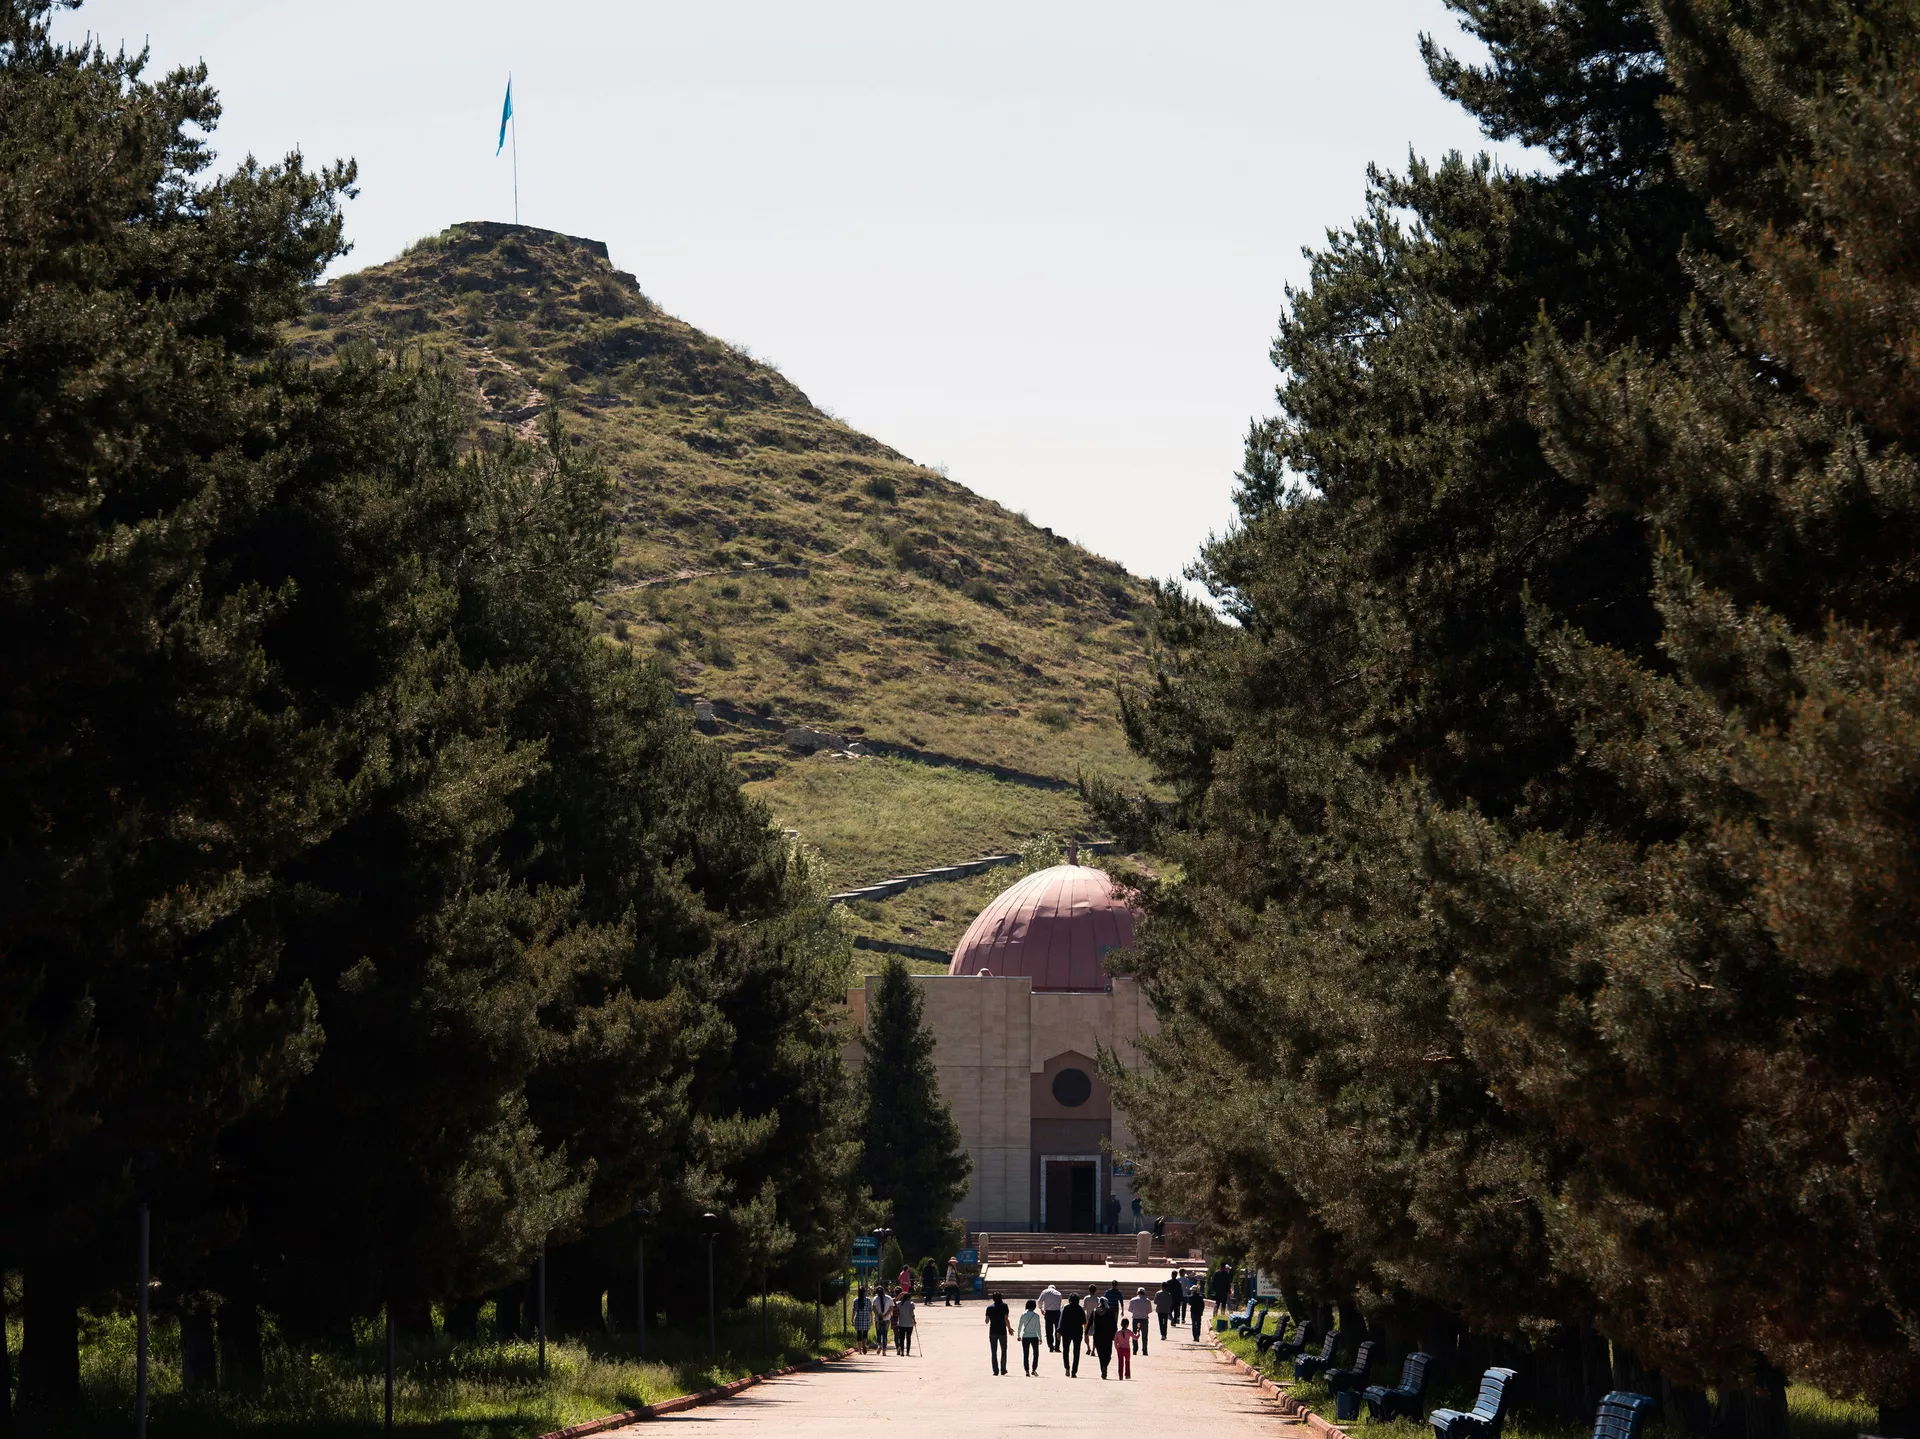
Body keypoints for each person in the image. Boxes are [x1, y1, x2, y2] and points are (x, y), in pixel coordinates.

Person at [1090, 1294, 1119, 1378]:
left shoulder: (1095, 1311)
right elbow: (1114, 1324)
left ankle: (1103, 1367)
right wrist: (1115, 1335)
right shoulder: (1111, 1312)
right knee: (1108, 1353)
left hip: (1097, 1335)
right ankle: (1105, 1366)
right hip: (1108, 1336)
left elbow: (1090, 1322)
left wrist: (1086, 1333)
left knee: (1100, 1354)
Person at [1058, 1292, 1086, 1376]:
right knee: (1076, 1352)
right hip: (1077, 1332)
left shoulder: (1066, 1308)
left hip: (1066, 1332)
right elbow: (1084, 1321)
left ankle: (1067, 1368)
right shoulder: (1080, 1309)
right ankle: (1074, 1371)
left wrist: (1059, 1331)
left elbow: (1062, 1320)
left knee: (1066, 1350)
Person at [985, 1290, 1011, 1375]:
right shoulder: (1004, 1306)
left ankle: (995, 1370)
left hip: (993, 1331)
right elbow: (1006, 1319)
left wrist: (989, 1317)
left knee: (993, 1351)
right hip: (1002, 1331)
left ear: (993, 1299)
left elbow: (987, 1321)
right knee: (1003, 1350)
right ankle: (1003, 1369)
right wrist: (1009, 1328)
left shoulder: (989, 1308)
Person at [1017, 1299, 1043, 1376]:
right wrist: (1040, 1337)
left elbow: (1020, 1326)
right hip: (1034, 1336)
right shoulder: (1036, 1316)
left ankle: (1027, 1370)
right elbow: (1038, 1328)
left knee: (1026, 1354)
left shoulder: (1023, 1314)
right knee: (1036, 1354)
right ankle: (1034, 1369)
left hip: (1025, 1336)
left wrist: (1018, 1335)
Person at [1128, 1286, 1153, 1354]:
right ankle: (1144, 1350)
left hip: (1136, 1319)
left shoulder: (1133, 1300)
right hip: (1144, 1320)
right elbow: (1149, 1310)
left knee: (1134, 1335)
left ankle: (1135, 1349)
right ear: (1144, 1293)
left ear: (1137, 1292)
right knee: (1144, 1336)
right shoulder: (1147, 1301)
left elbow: (1130, 1309)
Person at [1039, 1281, 1063, 1351]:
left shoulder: (1045, 1291)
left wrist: (1041, 1309)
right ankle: (1057, 1347)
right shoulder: (1059, 1293)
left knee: (1049, 1330)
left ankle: (1050, 1346)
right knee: (1058, 1330)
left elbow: (1039, 1301)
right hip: (1057, 1313)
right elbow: (1059, 1303)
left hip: (1048, 1313)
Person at [894, 1290, 916, 1355]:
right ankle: (908, 1352)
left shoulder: (899, 1303)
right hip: (909, 1324)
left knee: (901, 1338)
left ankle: (902, 1351)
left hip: (901, 1323)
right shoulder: (911, 1304)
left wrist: (900, 1295)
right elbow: (912, 1313)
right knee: (908, 1338)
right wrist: (914, 1320)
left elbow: (894, 1302)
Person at [852, 1286, 873, 1355]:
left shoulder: (856, 1300)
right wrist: (871, 1320)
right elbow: (870, 1310)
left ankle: (860, 1350)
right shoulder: (868, 1300)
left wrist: (852, 1320)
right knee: (865, 1333)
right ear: (864, 1292)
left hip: (858, 1319)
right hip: (866, 1319)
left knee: (859, 1334)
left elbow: (854, 1311)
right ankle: (864, 1344)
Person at [875, 1286, 894, 1352]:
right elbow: (891, 1308)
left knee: (878, 1333)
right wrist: (885, 1315)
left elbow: (873, 1308)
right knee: (885, 1334)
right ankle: (884, 1350)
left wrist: (878, 1315)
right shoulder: (889, 1298)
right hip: (887, 1319)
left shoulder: (875, 1298)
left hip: (878, 1319)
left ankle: (879, 1345)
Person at [1187, 1273, 1205, 1340]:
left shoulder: (1191, 1297)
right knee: (1198, 1323)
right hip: (1199, 1312)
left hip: (1193, 1311)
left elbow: (1190, 1303)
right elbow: (1202, 1305)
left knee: (1194, 1324)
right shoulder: (1200, 1297)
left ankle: (1195, 1336)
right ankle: (1198, 1335)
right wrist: (1202, 1311)